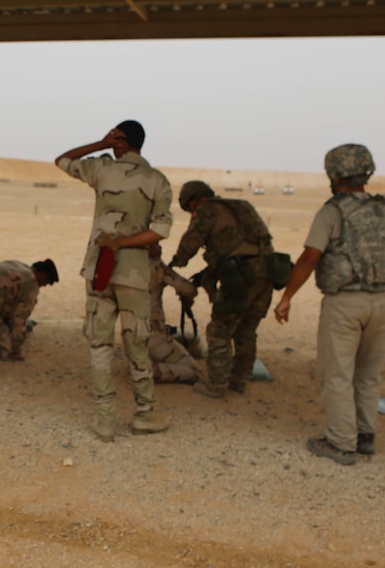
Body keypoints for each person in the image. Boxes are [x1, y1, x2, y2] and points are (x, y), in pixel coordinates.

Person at [274, 144, 385, 466]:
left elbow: (309, 257)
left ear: (334, 174)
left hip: (345, 303)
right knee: (369, 374)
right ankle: (365, 436)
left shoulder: (333, 211)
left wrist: (287, 297)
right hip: (381, 301)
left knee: (338, 375)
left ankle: (341, 443)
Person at [55, 121, 174, 442]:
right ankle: (144, 415)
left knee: (100, 345)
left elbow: (63, 160)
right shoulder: (157, 180)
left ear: (119, 141)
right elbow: (160, 231)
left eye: (114, 139)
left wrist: (98, 143)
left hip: (99, 271)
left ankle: (105, 421)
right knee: (138, 344)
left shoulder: (102, 169)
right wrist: (127, 243)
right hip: (134, 275)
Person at [170, 180, 275, 398]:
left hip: (242, 275)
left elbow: (191, 241)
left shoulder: (207, 210)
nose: (192, 213)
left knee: (219, 330)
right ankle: (239, 381)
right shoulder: (241, 206)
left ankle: (216, 385)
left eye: (190, 208)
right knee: (246, 330)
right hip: (269, 271)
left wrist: (176, 262)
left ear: (195, 200)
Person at [146, 243, 200, 383]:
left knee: (189, 339)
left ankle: (142, 363)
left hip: (131, 333)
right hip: (154, 336)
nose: (160, 247)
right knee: (193, 370)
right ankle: (148, 372)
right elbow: (189, 289)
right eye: (155, 243)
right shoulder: (157, 266)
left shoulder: (121, 267)